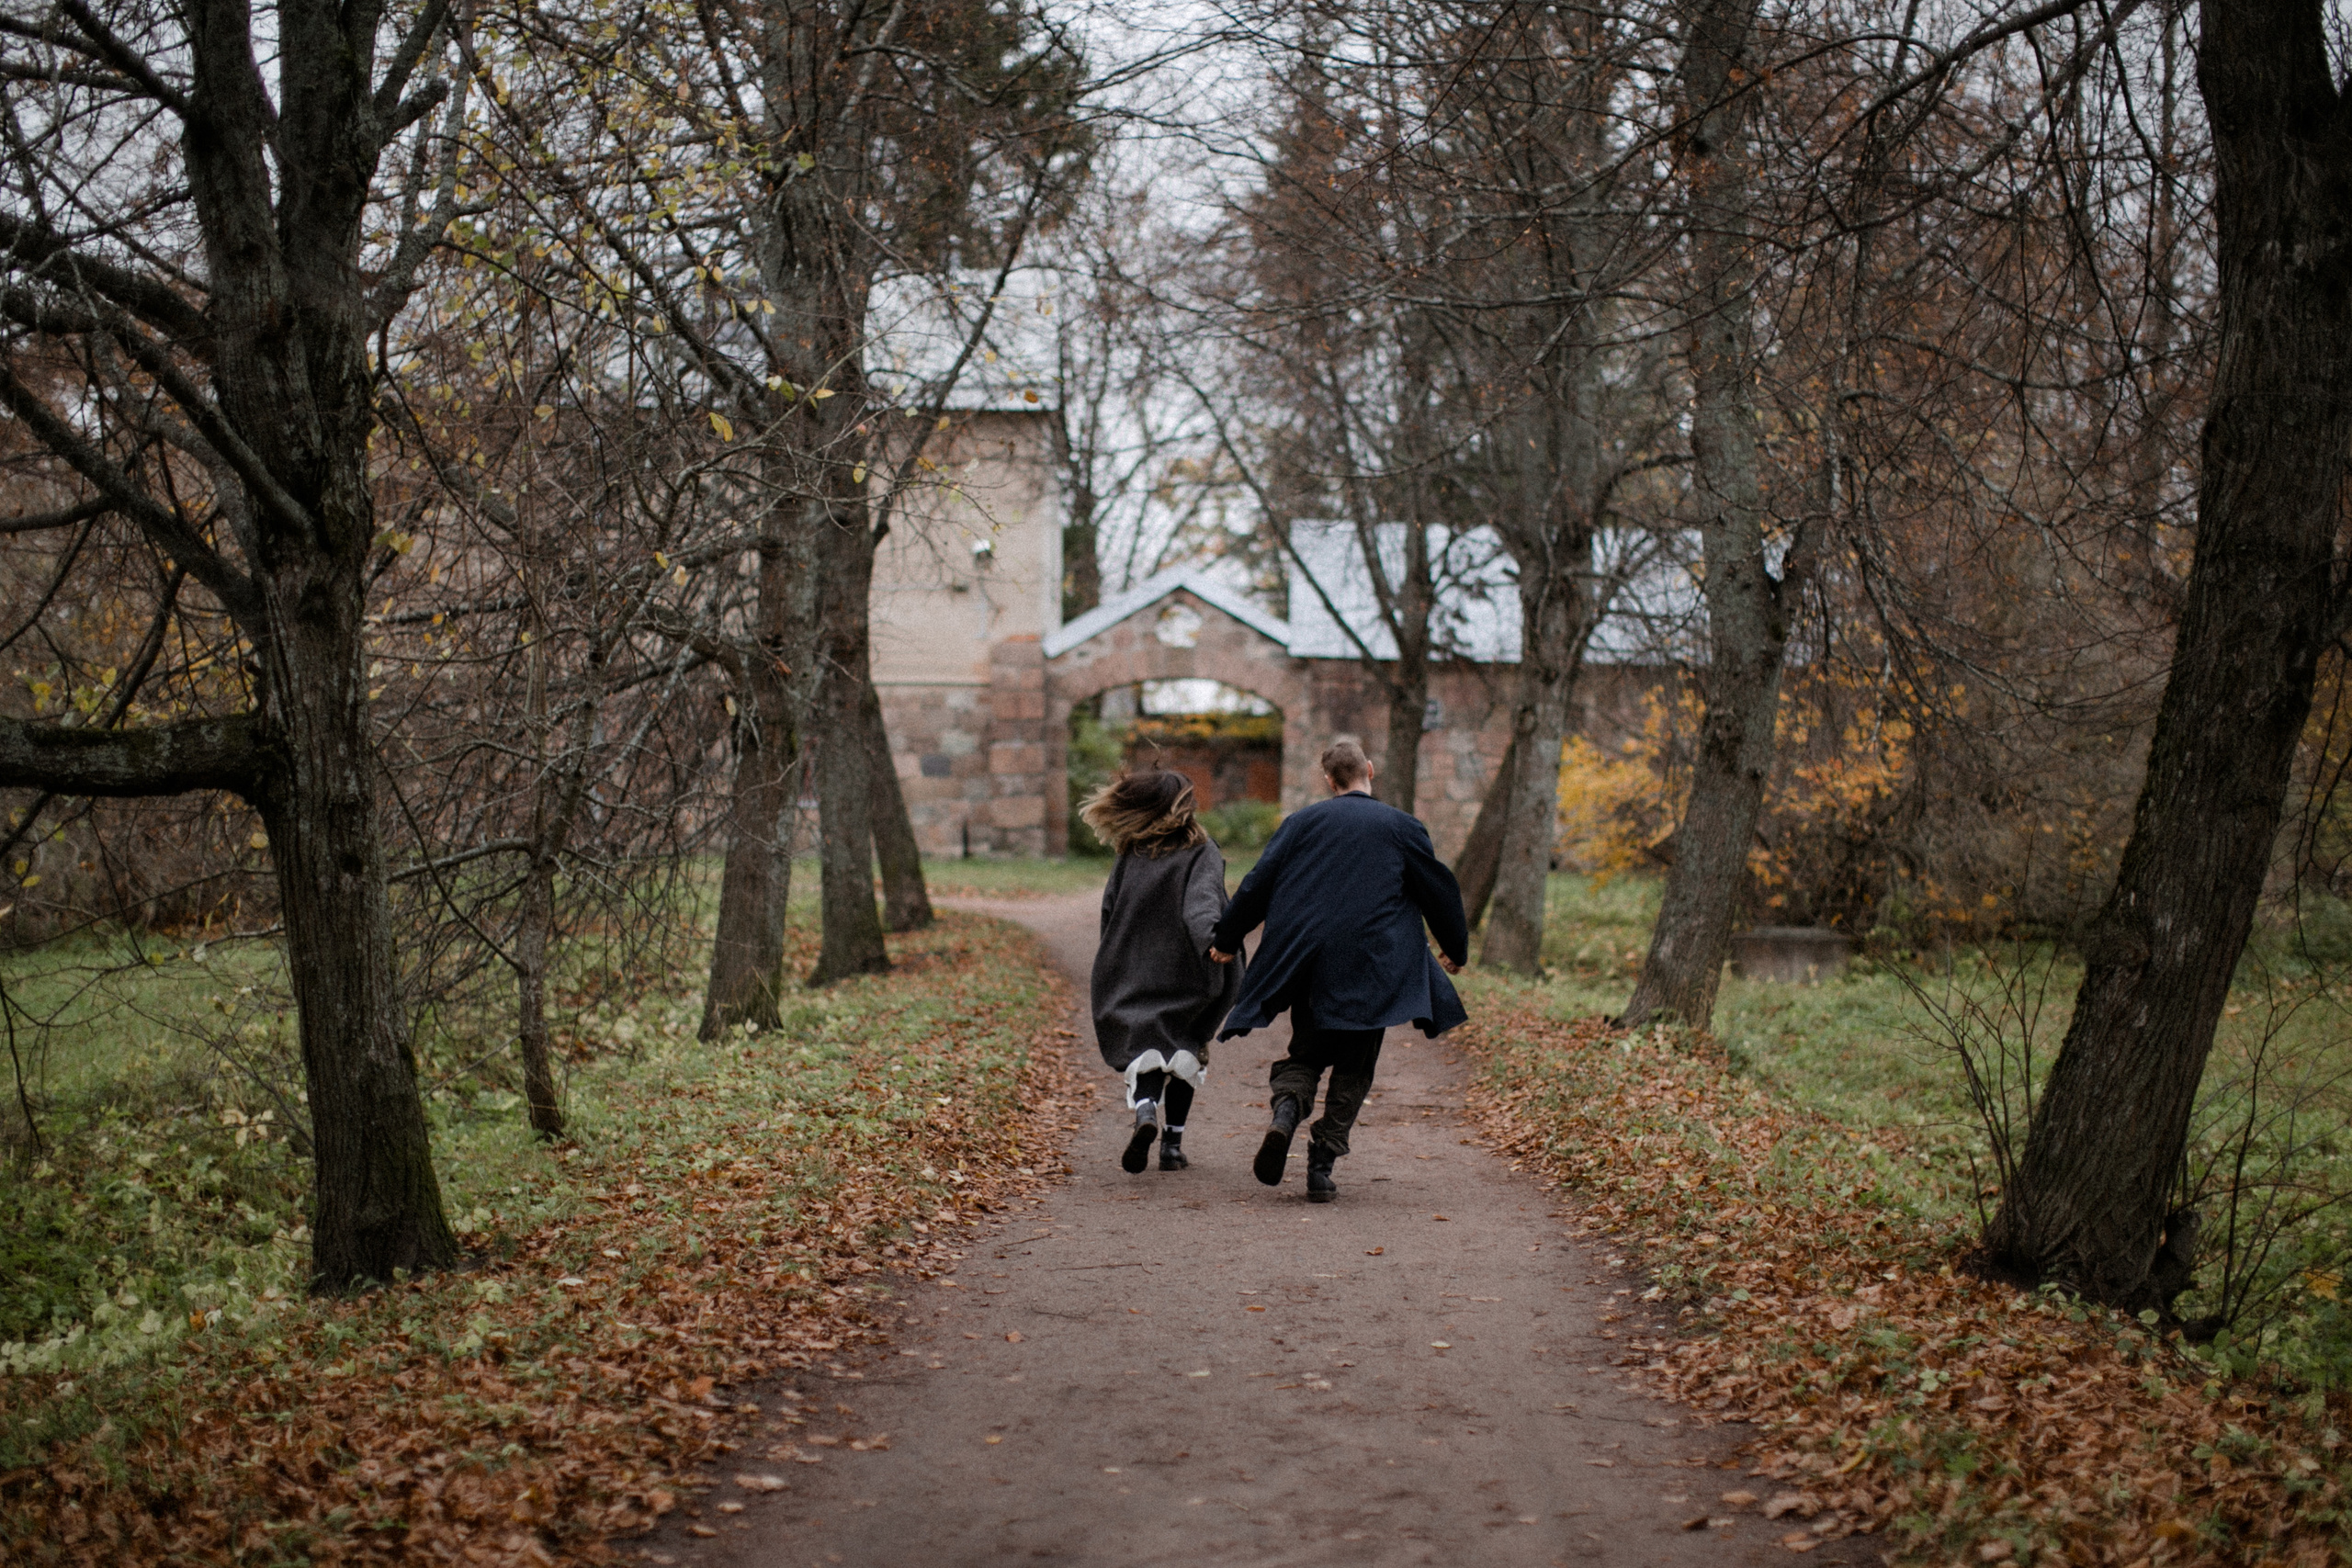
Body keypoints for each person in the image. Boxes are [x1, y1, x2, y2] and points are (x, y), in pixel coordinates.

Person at [1208, 738, 1468, 1203]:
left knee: (1307, 1050)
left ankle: (1287, 1111)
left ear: (1329, 781)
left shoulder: (1301, 823)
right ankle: (1322, 1164)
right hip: (1374, 964)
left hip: (1311, 960)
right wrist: (1455, 948)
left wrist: (1227, 939)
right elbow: (1438, 890)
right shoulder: (1402, 827)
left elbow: (1257, 884)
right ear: (1369, 769)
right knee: (1356, 1062)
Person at [1081, 770, 1243, 1175]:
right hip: (1187, 969)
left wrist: (1112, 956)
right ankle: (1172, 1146)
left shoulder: (1131, 852)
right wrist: (1214, 943)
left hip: (1133, 967)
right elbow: (1201, 904)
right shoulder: (1201, 850)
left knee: (1145, 1050)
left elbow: (1110, 908)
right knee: (1185, 1047)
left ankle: (1145, 1111)